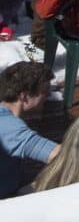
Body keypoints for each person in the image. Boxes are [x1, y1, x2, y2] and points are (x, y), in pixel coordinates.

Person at [0, 61, 58, 197]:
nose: (49, 96)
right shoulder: (10, 127)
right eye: (44, 91)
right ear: (23, 95)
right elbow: (58, 155)